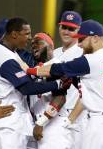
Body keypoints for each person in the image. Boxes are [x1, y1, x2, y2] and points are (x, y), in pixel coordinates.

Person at [26, 19, 103, 149]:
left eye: (82, 39)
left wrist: (28, 70)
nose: (79, 44)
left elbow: (56, 69)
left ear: (95, 38)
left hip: (102, 123)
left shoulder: (91, 60)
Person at [0, 17, 66, 149]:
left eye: (38, 41)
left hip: (35, 123)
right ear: (14, 34)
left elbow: (27, 69)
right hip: (8, 121)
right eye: (27, 34)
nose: (31, 40)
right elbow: (26, 88)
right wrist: (57, 84)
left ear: (50, 45)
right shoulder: (6, 58)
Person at [32, 11, 85, 149]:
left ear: (79, 30)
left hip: (76, 116)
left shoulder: (83, 53)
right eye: (64, 27)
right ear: (59, 27)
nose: (67, 31)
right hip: (53, 114)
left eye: (71, 28)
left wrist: (71, 118)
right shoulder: (54, 53)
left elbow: (87, 90)